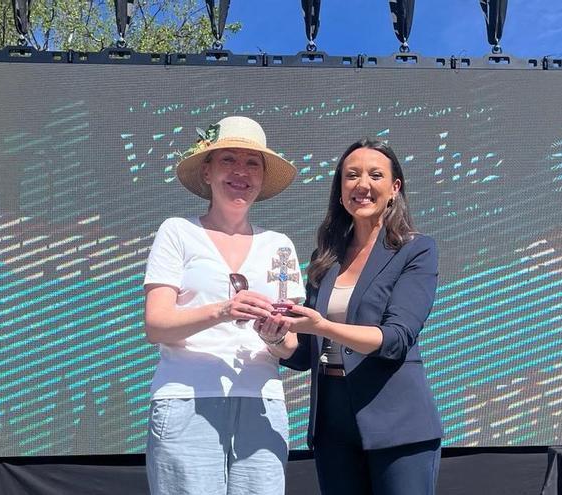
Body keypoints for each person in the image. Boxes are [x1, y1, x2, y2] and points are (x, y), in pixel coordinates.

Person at [142, 116, 304, 495]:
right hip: (186, 398)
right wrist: (223, 310)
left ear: (263, 176)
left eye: (252, 163)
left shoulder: (279, 244)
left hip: (261, 401)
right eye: (228, 159)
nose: (240, 172)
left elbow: (290, 345)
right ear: (208, 170)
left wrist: (274, 336)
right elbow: (157, 324)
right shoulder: (178, 232)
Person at [273, 138, 443, 494]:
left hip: (397, 421)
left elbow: (396, 339)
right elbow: (305, 353)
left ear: (394, 188)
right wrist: (273, 334)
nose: (362, 185)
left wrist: (324, 326)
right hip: (332, 422)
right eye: (351, 176)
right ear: (340, 191)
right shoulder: (326, 255)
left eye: (375, 175)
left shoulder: (416, 249)